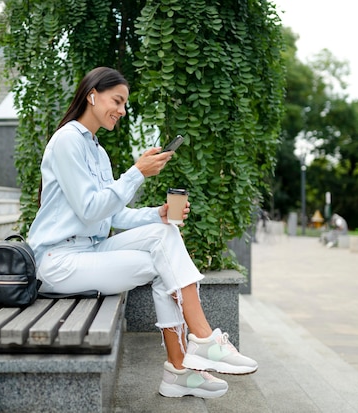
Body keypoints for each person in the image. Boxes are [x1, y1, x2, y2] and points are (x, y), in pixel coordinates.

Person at [28, 67, 257, 399]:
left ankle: (195, 351)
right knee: (164, 265)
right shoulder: (67, 140)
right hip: (58, 261)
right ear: (92, 95)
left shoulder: (96, 149)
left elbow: (113, 213)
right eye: (117, 101)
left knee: (164, 235)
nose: (121, 110)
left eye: (124, 104)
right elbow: (90, 208)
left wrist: (157, 214)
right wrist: (136, 173)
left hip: (91, 250)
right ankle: (190, 357)